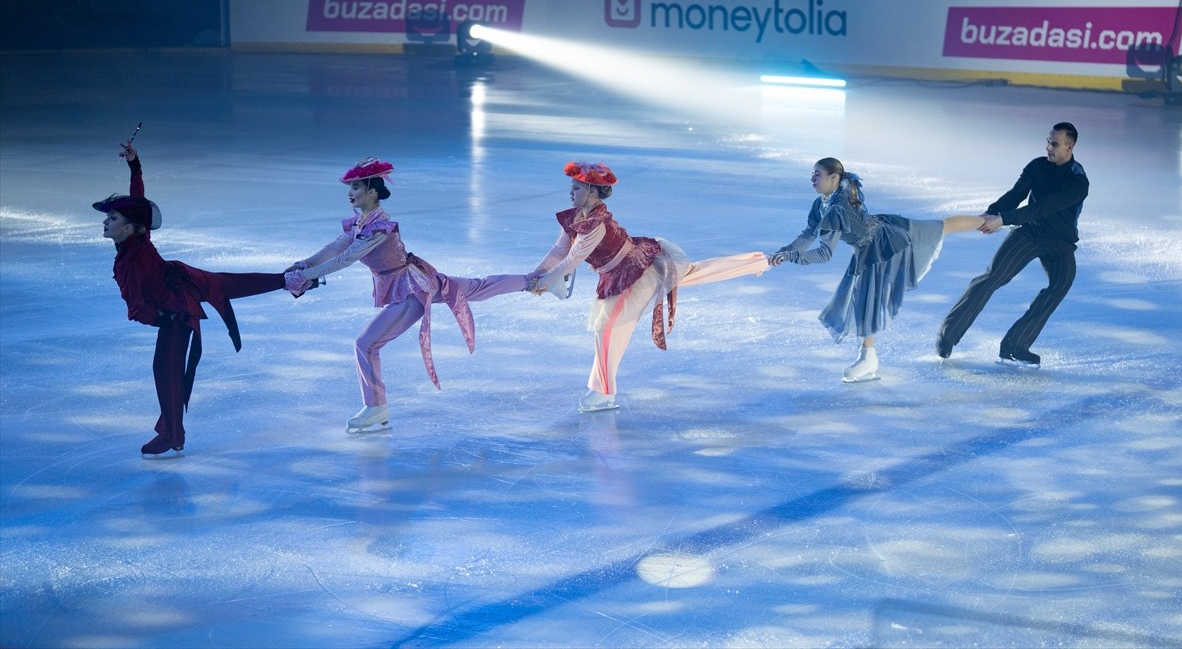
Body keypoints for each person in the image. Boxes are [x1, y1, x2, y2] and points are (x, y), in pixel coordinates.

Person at [284, 157, 531, 433]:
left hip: (411, 292)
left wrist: (306, 277)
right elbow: (335, 247)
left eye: (355, 186)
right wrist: (304, 265)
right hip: (418, 279)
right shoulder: (361, 223)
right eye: (350, 187)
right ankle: (533, 282)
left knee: (366, 343)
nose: (349, 192)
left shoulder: (379, 227)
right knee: (476, 287)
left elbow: (346, 259)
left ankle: (376, 407)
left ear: (372, 191)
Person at [95, 141, 290, 456]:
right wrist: (135, 166)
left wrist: (155, 317)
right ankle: (175, 434)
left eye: (112, 218)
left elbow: (137, 302)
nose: (105, 221)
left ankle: (173, 435)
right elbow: (139, 201)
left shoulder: (137, 254)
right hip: (176, 297)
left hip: (176, 312)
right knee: (168, 365)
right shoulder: (136, 240)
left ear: (129, 228)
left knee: (167, 370)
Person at [527, 161, 769, 413]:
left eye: (576, 188)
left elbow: (574, 258)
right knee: (690, 275)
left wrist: (544, 281)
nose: (570, 192)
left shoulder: (596, 223)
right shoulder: (576, 217)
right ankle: (756, 262)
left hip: (634, 273)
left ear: (592, 191)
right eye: (572, 187)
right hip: (620, 272)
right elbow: (558, 251)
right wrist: (537, 273)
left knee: (608, 329)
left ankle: (602, 393)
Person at [769, 158, 985, 383]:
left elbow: (824, 254)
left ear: (834, 178)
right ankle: (991, 220)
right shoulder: (821, 203)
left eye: (818, 174)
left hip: (883, 247)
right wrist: (783, 252)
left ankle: (992, 220)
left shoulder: (837, 208)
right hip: (877, 235)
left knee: (866, 301)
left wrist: (790, 256)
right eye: (812, 174)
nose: (812, 178)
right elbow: (808, 235)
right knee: (942, 227)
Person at [937, 123, 1088, 366]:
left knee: (1061, 283)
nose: (1048, 147)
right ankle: (948, 334)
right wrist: (991, 214)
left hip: (1060, 242)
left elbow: (1043, 208)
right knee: (993, 277)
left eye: (1055, 144)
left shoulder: (1078, 181)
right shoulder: (1037, 166)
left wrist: (1003, 220)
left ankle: (1015, 345)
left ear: (1070, 147)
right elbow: (1015, 194)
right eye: (1048, 141)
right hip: (1030, 233)